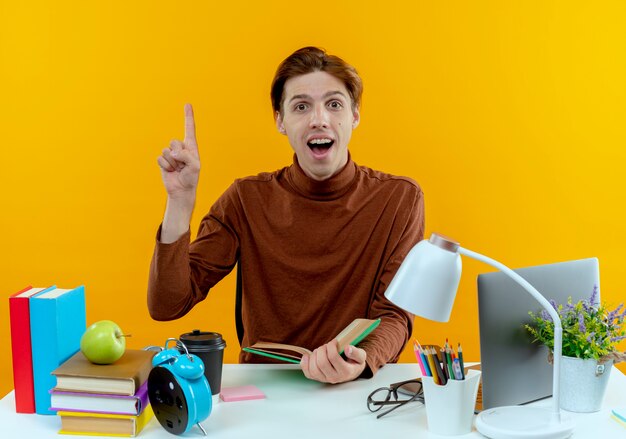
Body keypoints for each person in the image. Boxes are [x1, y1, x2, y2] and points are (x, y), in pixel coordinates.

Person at [148, 46, 425, 384]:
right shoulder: (245, 199)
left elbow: (394, 314)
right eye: (301, 106)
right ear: (280, 120)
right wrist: (179, 201)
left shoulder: (399, 199)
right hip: (264, 390)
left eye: (334, 104)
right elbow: (167, 305)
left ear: (354, 115)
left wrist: (363, 360)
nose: (319, 119)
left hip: (353, 389)